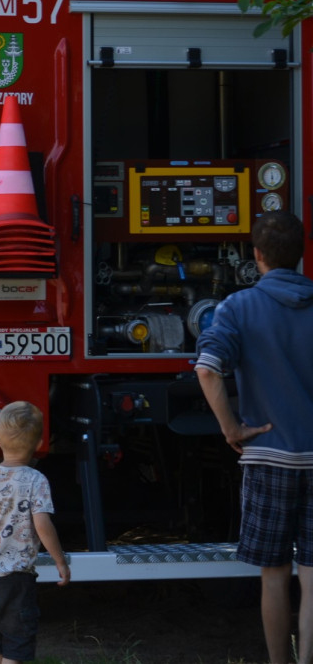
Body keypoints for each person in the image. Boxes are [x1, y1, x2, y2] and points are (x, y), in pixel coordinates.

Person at [196, 210, 313, 664]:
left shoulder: (238, 307)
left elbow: (207, 369)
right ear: (301, 254)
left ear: (256, 255)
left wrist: (232, 428)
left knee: (274, 574)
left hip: (268, 458)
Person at [0, 401, 70, 664]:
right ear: (39, 444)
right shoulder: (36, 480)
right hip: (15, 576)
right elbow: (42, 525)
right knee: (17, 638)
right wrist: (59, 560)